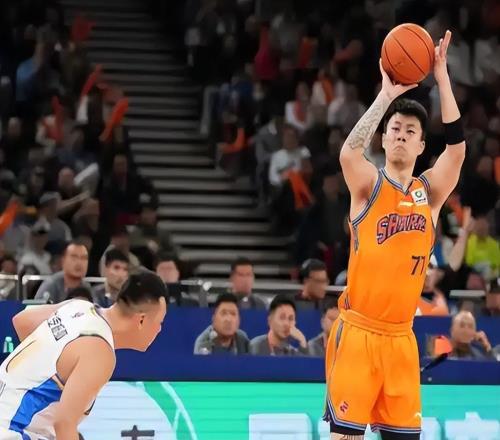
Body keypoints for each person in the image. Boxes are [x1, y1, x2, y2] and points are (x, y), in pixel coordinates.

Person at [325, 31, 466, 439]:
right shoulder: (368, 185)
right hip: (358, 333)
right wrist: (385, 97)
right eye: (395, 129)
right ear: (384, 139)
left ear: (421, 145)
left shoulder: (430, 193)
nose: (402, 134)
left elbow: (457, 151)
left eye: (410, 131)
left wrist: (442, 77)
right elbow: (349, 153)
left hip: (402, 338)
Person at [0, 270, 167, 439]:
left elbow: (22, 321)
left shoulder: (78, 307)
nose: (160, 329)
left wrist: (39, 368)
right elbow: (64, 423)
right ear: (141, 320)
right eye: (160, 322)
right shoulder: (99, 351)